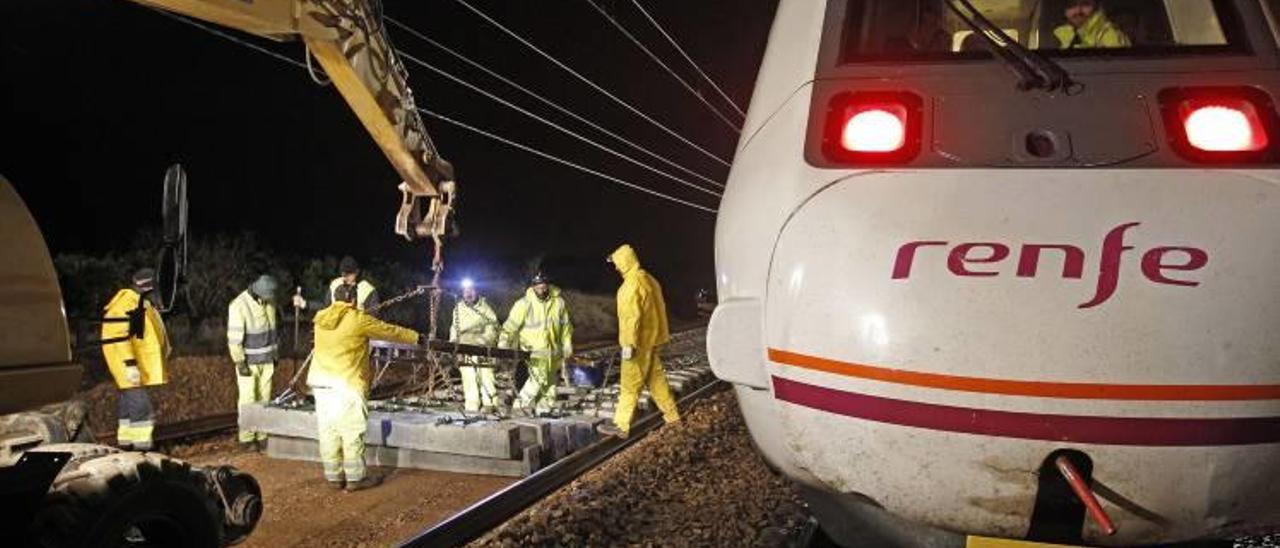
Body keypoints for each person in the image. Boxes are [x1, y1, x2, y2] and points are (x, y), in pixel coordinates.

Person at [307, 283, 420, 491]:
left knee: (328, 431)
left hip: (321, 383)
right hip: (347, 383)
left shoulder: (321, 319)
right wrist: (415, 337)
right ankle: (355, 478)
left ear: (335, 299)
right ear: (352, 300)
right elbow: (388, 331)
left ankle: (333, 477)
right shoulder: (357, 319)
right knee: (351, 431)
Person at [597, 245, 680, 438]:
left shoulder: (629, 287)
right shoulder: (648, 279)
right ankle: (673, 416)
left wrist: (628, 344)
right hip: (651, 341)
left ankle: (621, 425)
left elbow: (631, 318)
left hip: (637, 344)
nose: (616, 268)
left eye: (616, 263)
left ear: (623, 262)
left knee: (629, 385)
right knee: (657, 382)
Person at [101, 268, 170, 451]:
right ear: (147, 286)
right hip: (127, 366)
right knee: (141, 406)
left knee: (128, 405)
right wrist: (129, 365)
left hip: (132, 365)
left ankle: (126, 444)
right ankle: (142, 448)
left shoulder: (139, 302)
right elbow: (117, 338)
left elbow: (141, 335)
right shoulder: (125, 304)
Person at [499, 273, 573, 414]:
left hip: (554, 352)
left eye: (544, 287)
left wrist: (567, 343)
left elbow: (565, 326)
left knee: (550, 385)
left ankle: (543, 411)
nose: (541, 291)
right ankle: (520, 405)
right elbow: (510, 326)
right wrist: (504, 342)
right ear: (533, 288)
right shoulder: (524, 304)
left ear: (548, 286)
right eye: (538, 288)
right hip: (533, 351)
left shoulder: (558, 303)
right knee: (538, 378)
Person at [227, 274, 279, 451]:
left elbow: (272, 330)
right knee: (248, 400)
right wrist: (239, 362)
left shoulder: (268, 302)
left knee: (264, 399)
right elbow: (234, 339)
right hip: (248, 363)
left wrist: (275, 353)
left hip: (267, 361)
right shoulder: (238, 306)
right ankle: (247, 439)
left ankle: (262, 436)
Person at [449, 278, 500, 412]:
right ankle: (472, 406)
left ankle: (490, 404)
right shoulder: (458, 308)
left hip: (482, 347)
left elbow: (493, 327)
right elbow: (454, 328)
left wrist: (483, 342)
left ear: (477, 291)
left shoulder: (485, 308)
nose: (469, 293)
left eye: (471, 290)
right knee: (468, 376)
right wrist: (454, 346)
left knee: (486, 374)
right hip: (464, 347)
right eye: (466, 291)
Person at [293, 256, 380, 313]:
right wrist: (305, 304)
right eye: (343, 273)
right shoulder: (335, 284)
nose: (345, 277)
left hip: (356, 337)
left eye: (349, 274)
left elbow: (373, 319)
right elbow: (326, 307)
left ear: (357, 272)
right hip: (336, 335)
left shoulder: (368, 290)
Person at [1054, 0, 1130, 49]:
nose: (1078, 11)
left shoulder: (1110, 34)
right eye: (1072, 5)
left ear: (1097, 6)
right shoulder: (1062, 35)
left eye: (1085, 4)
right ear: (1065, 11)